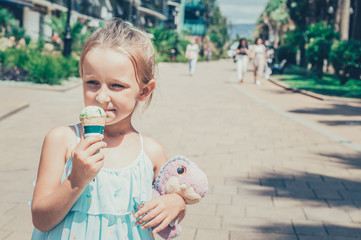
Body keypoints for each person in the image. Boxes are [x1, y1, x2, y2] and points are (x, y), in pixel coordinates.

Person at [30, 20, 186, 240]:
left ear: (144, 91)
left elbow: (171, 206)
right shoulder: (62, 140)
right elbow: (41, 219)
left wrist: (177, 203)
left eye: (116, 86)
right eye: (92, 82)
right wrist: (76, 180)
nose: (101, 97)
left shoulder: (151, 152)